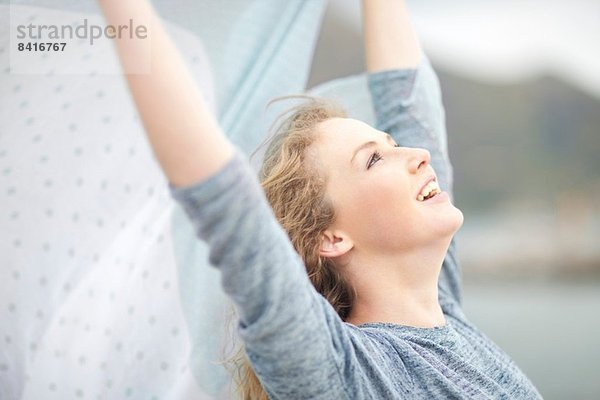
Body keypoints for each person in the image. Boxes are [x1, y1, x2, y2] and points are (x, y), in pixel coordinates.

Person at [99, 0, 542, 398]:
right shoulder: (347, 375)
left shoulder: (442, 309)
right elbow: (219, 194)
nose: (417, 154)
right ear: (330, 237)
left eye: (391, 143)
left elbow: (407, 99)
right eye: (373, 160)